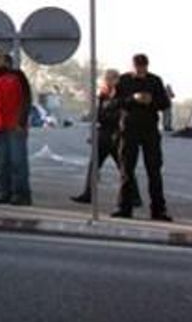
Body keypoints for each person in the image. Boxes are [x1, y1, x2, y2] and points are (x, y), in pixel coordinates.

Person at [112, 54, 172, 221]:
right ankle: (124, 207)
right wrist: (133, 99)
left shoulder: (154, 81)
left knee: (154, 170)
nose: (140, 70)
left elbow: (165, 103)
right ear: (132, 66)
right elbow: (114, 103)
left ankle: (158, 210)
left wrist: (151, 101)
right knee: (127, 170)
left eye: (143, 66)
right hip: (129, 129)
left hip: (149, 130)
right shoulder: (123, 81)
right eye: (137, 66)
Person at [71, 69, 138, 206]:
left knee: (124, 168)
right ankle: (88, 194)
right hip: (103, 134)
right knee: (94, 166)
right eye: (108, 78)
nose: (110, 80)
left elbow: (121, 115)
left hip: (117, 135)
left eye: (113, 78)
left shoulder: (123, 95)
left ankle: (134, 197)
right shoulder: (103, 94)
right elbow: (100, 114)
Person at [0, 48, 31, 206]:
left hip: (15, 128)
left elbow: (26, 99)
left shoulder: (17, 76)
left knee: (18, 161)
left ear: (4, 59)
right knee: (2, 163)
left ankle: (22, 194)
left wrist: (21, 122)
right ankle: (5, 192)